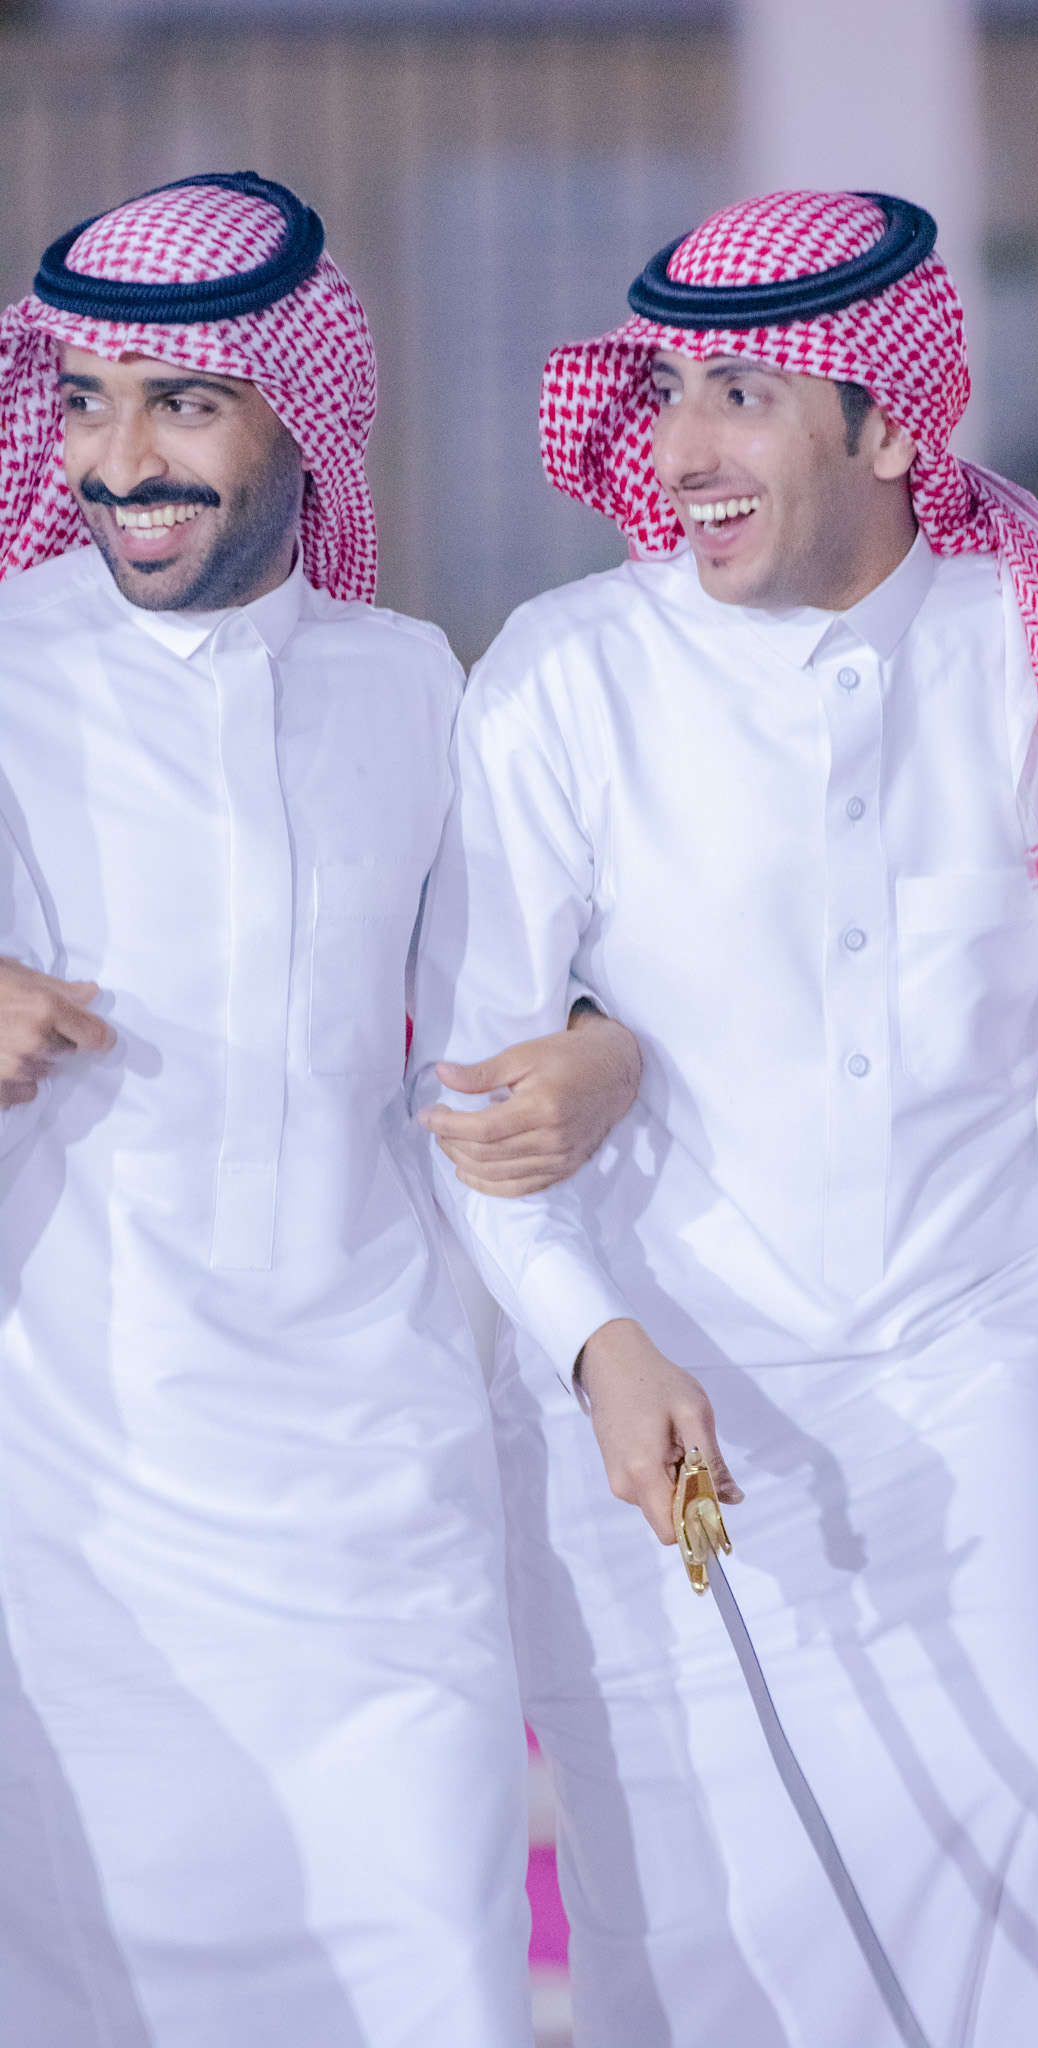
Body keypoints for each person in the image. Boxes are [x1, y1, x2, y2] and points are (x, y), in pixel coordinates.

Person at [414, 190, 1038, 2047]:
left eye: (739, 397)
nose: (677, 454)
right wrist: (595, 1343)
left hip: (998, 1373)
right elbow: (468, 1098)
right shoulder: (565, 670)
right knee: (691, 1975)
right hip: (659, 1421)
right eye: (665, 396)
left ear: (887, 424)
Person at [0, 171, 638, 2048]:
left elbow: (495, 1033)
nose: (121, 462)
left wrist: (598, 1051)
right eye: (85, 404)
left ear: (303, 417)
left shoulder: (411, 685)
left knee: (428, 1980)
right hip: (71, 1519)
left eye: (182, 404)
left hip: (375, 1515)